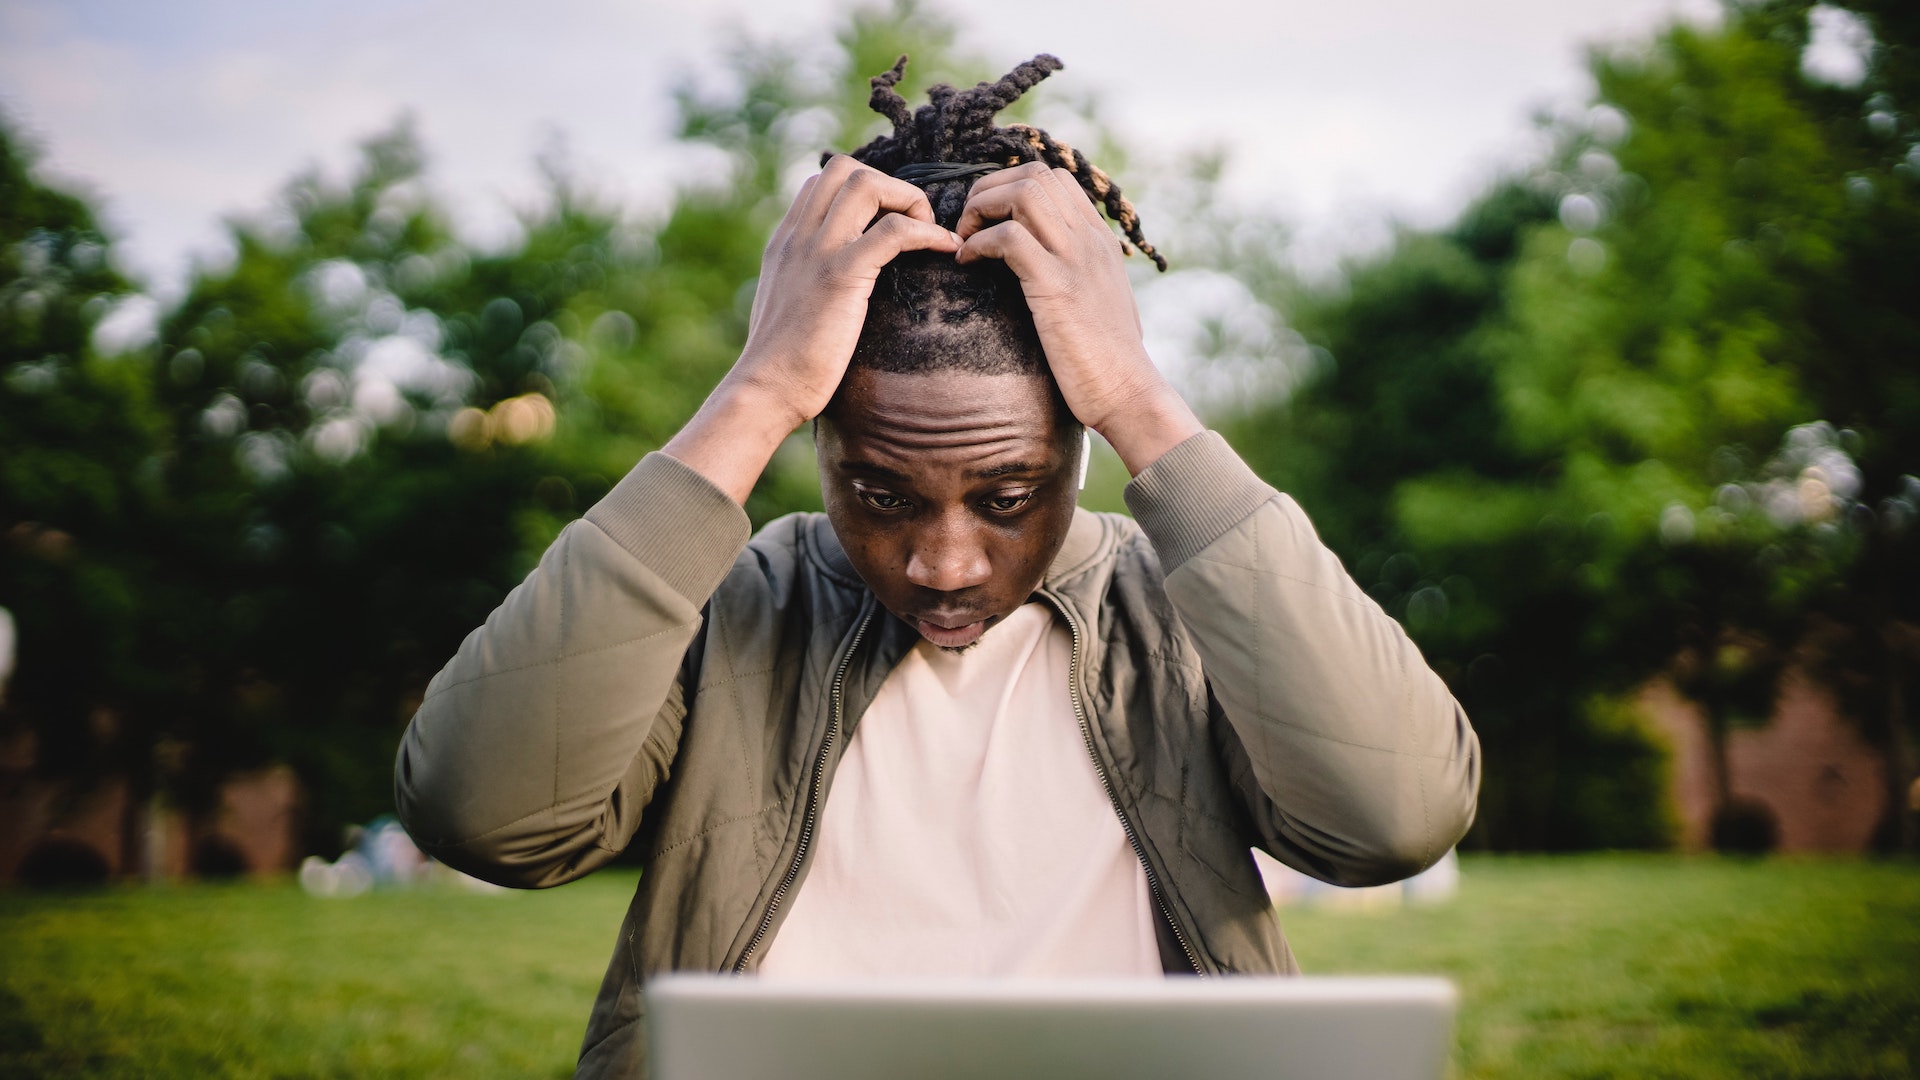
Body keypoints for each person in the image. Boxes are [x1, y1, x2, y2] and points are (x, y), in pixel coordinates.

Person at [394, 54, 1480, 1079]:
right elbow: (483, 817)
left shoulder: (1190, 609)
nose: (944, 563)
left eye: (1007, 499)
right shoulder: (728, 607)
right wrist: (754, 392)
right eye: (880, 493)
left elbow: (1393, 818)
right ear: (817, 445)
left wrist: (1144, 399)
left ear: (1080, 448)